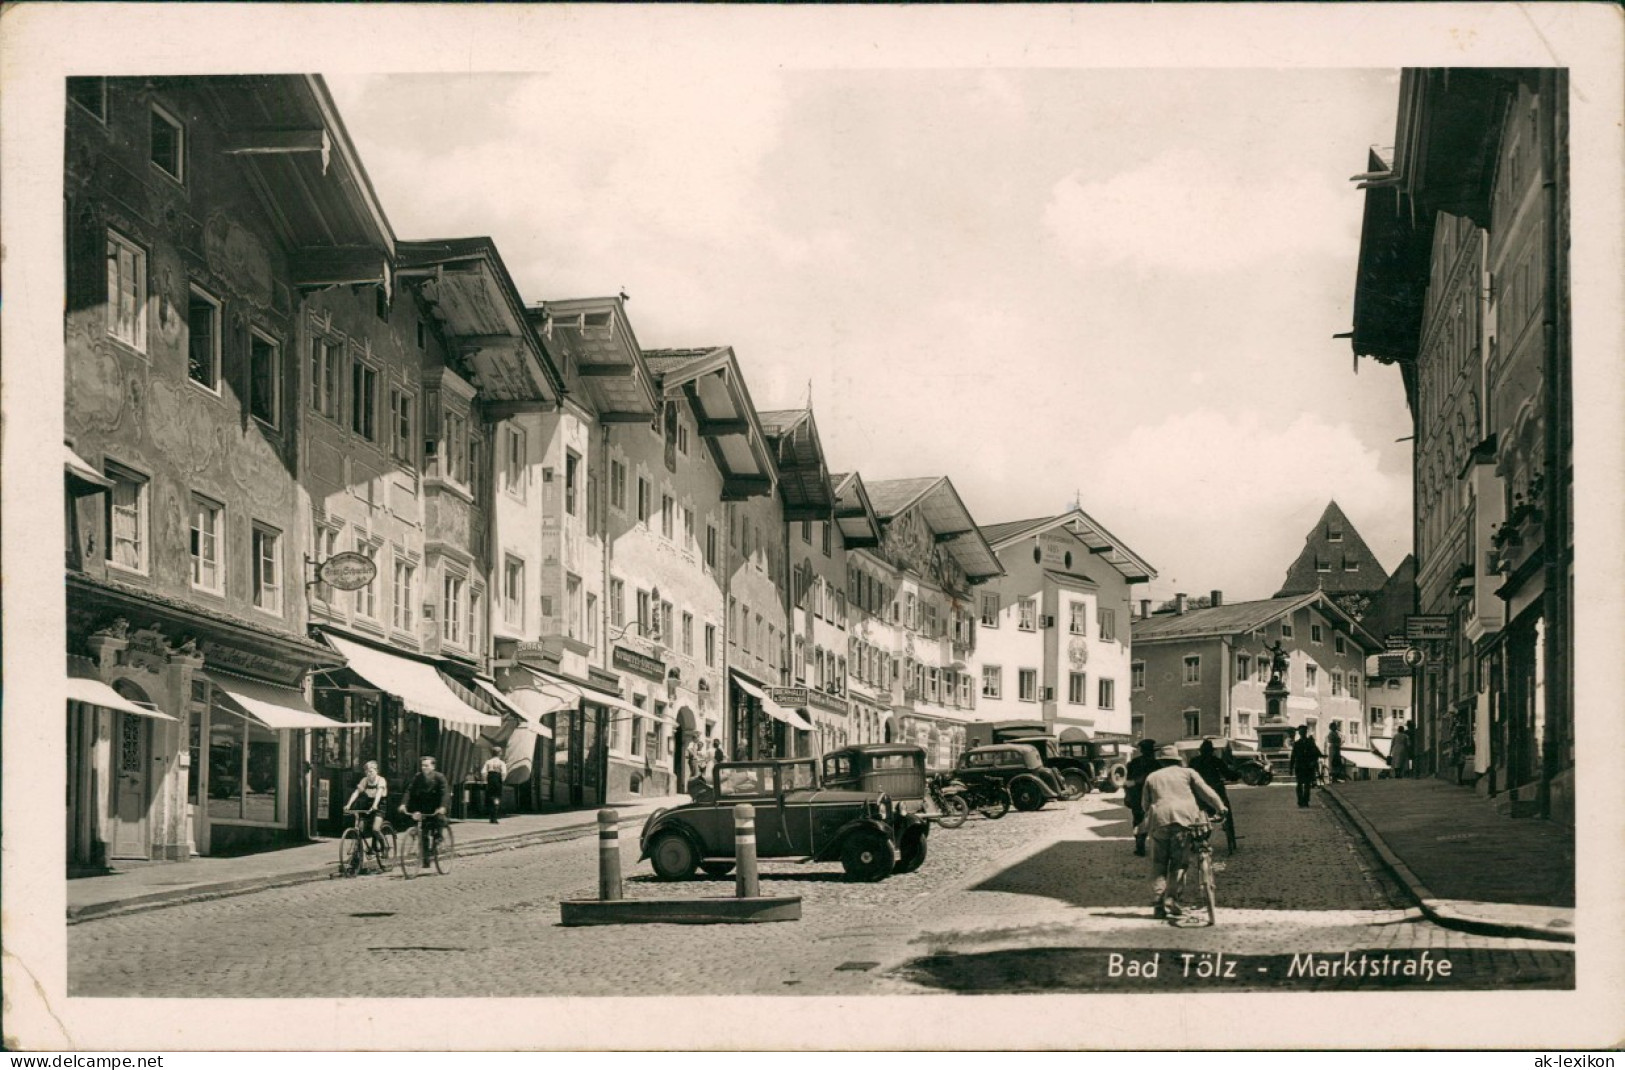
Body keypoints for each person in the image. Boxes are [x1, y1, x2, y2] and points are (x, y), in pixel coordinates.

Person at [1138, 743, 1227, 920]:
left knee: (1159, 865)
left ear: (1161, 762)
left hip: (1159, 822)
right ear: (1177, 759)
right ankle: (1172, 898)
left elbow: (1145, 805)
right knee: (1179, 863)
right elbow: (1207, 792)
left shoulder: (1152, 777)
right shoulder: (1188, 773)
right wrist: (1220, 807)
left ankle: (1158, 905)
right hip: (1184, 820)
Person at [398, 755, 451, 867]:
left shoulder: (439, 777)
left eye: (426, 765)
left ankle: (439, 837)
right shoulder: (418, 777)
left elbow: (444, 793)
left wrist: (442, 807)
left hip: (437, 806)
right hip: (423, 806)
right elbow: (409, 791)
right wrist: (403, 804)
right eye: (422, 765)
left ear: (433, 766)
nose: (424, 768)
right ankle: (426, 859)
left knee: (439, 820)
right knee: (423, 832)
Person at [1188, 739, 1238, 852]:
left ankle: (1193, 840)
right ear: (1212, 751)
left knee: (1194, 814)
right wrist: (1237, 774)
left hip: (1198, 793)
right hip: (1216, 790)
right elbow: (1229, 775)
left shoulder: (1194, 761)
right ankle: (1231, 840)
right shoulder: (1216, 761)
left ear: (1200, 751)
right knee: (1226, 812)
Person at [343, 760, 389, 857]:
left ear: (376, 771)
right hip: (368, 804)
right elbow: (356, 792)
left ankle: (384, 846)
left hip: (380, 804)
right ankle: (357, 854)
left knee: (376, 829)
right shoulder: (364, 780)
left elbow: (379, 794)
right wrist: (348, 804)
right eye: (367, 771)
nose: (369, 774)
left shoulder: (381, 780)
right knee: (360, 828)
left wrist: (375, 805)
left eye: (371, 771)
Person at [1123, 739, 1160, 857]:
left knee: (1138, 820)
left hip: (1137, 797)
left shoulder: (1133, 763)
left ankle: (1140, 847)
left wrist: (1128, 796)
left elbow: (1128, 783)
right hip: (1155, 797)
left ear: (1142, 751)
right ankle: (1157, 848)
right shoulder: (1157, 764)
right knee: (1157, 821)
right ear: (1152, 751)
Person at [1291, 724, 1323, 807]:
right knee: (1299, 784)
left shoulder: (1310, 743)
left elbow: (1316, 753)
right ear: (1299, 733)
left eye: (1303, 731)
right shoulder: (1297, 743)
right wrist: (1291, 768)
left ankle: (1306, 800)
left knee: (1307, 784)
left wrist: (1313, 761)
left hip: (1308, 766)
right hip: (1299, 766)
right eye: (1300, 732)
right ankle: (1300, 800)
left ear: (1306, 732)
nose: (1302, 733)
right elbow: (1293, 756)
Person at [481, 745, 507, 824]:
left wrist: (485, 780)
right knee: (497, 797)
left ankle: (491, 817)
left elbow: (483, 772)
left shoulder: (488, 762)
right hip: (497, 780)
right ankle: (495, 817)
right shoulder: (501, 763)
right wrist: (502, 780)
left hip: (490, 779)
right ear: (499, 753)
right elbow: (504, 772)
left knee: (490, 797)